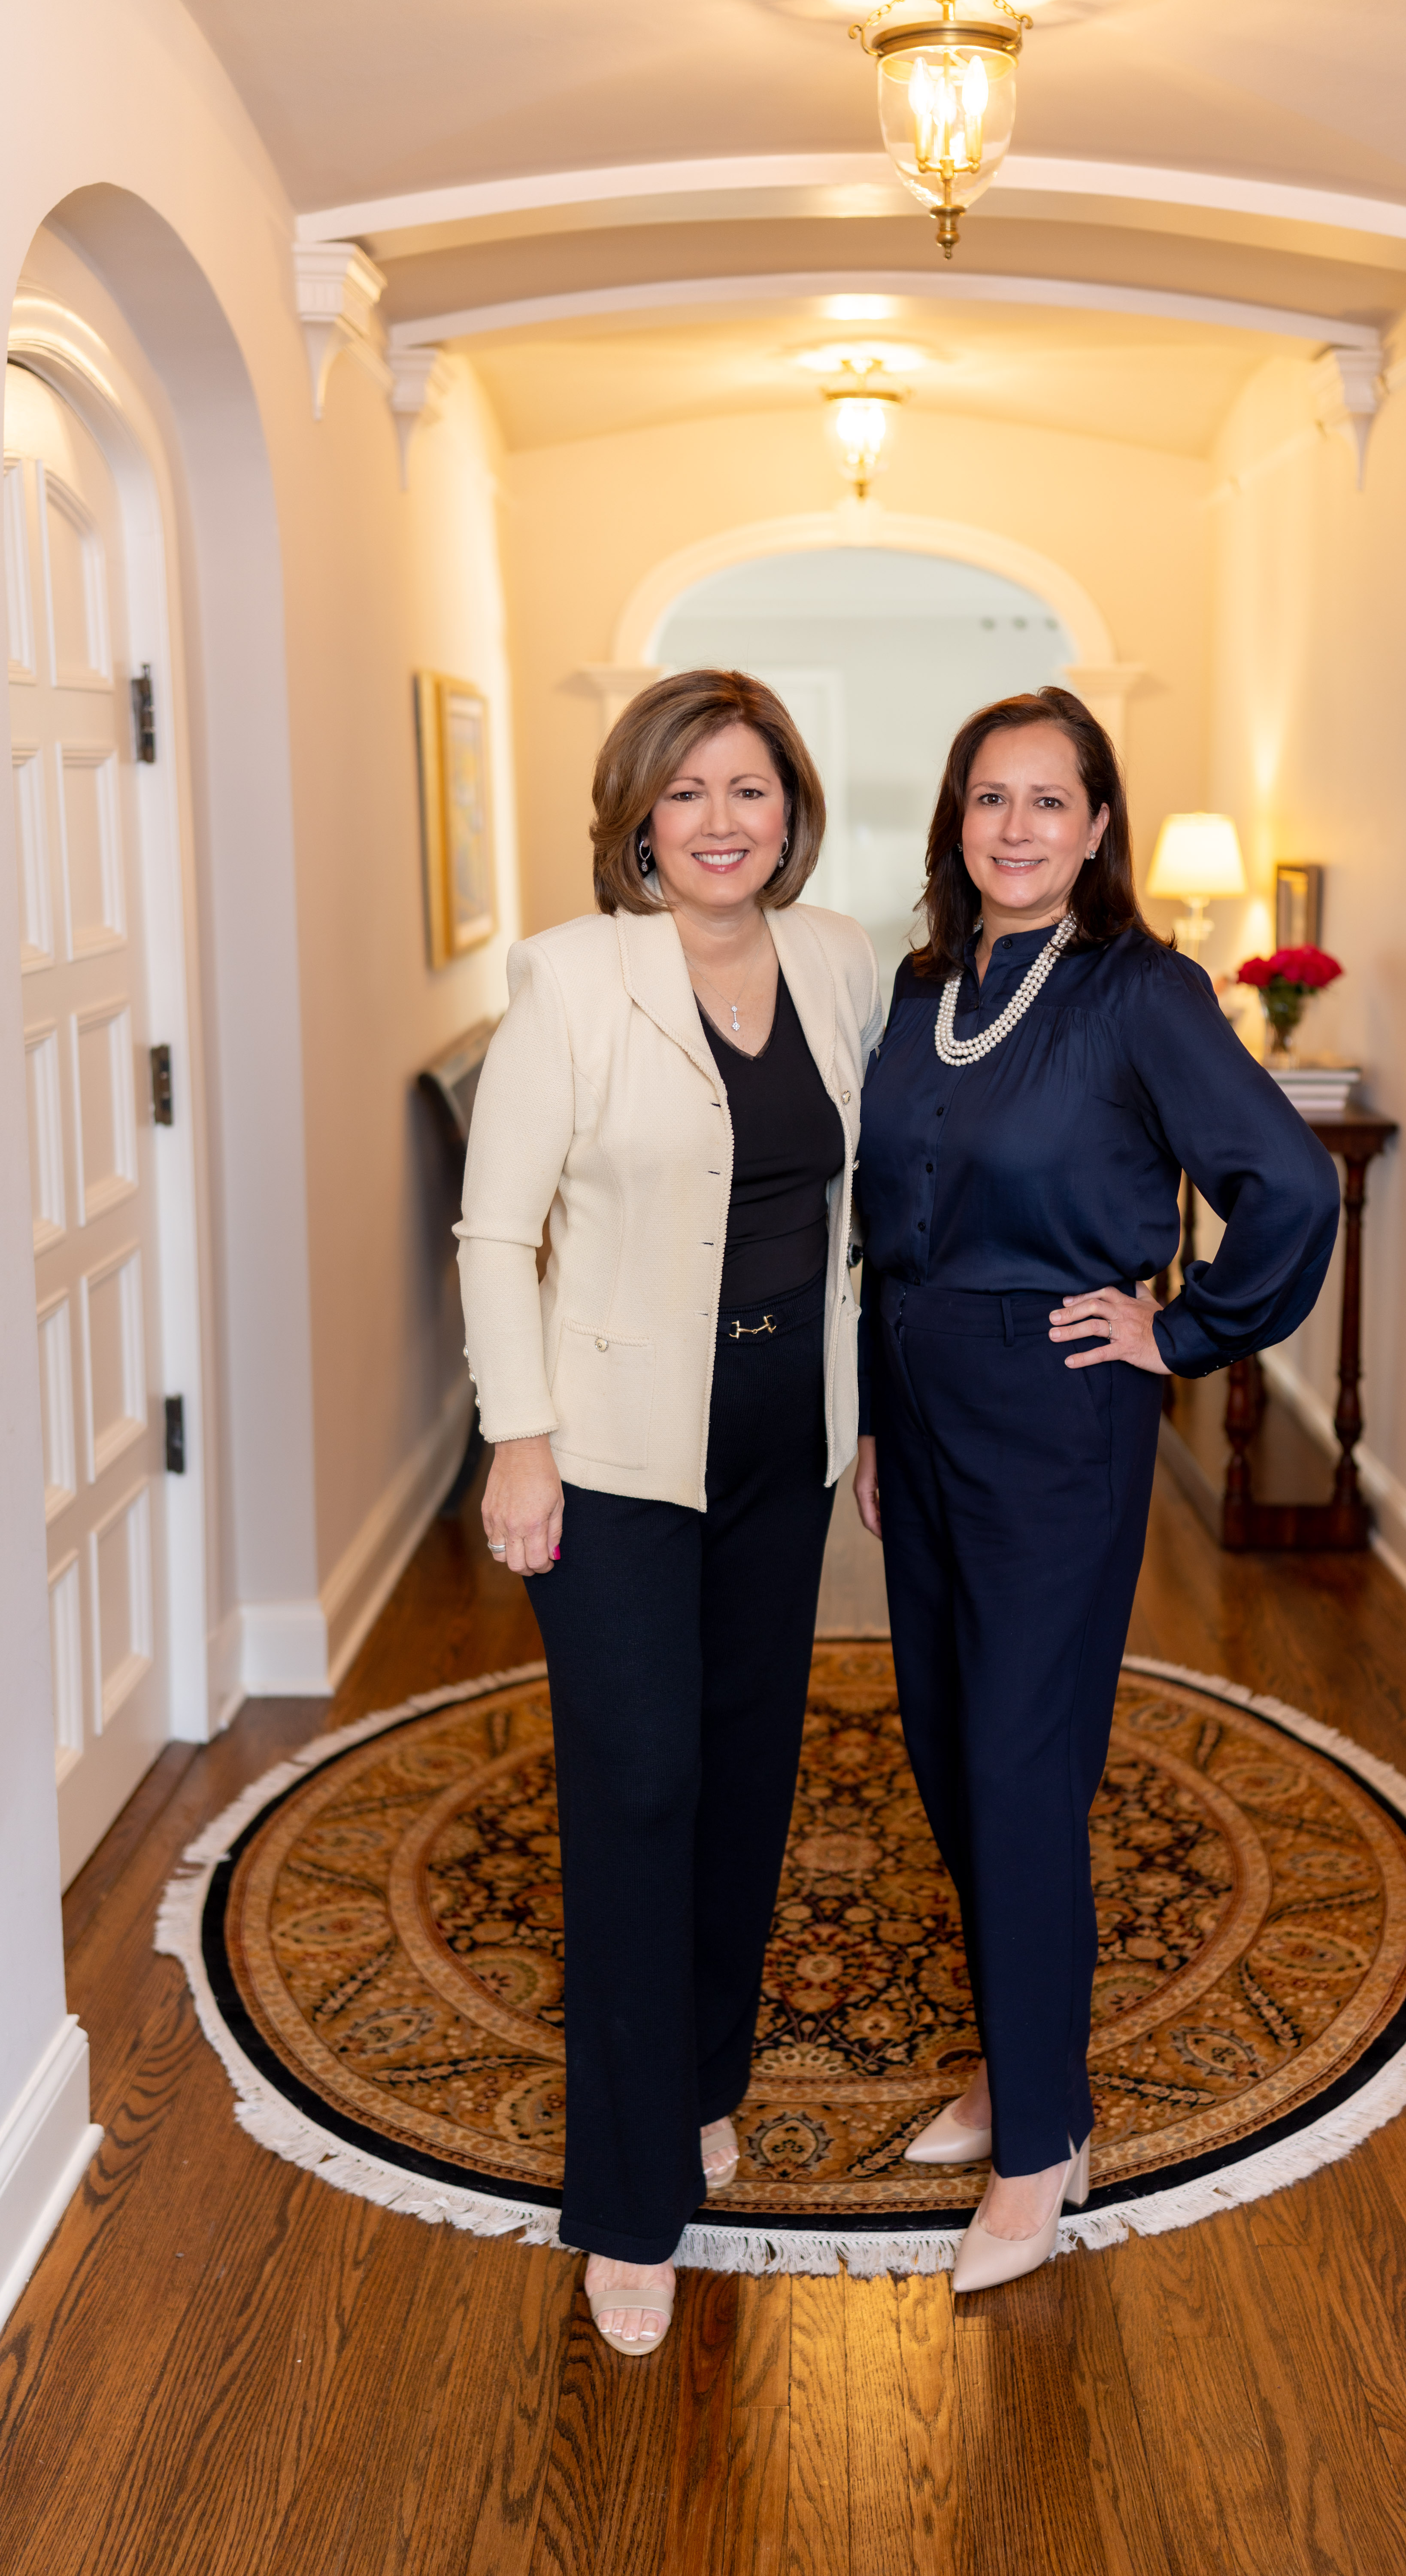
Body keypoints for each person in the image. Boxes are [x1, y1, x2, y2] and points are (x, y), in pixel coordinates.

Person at [852, 687, 1339, 2293]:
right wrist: (876, 1419)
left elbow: (1291, 1183)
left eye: (1049, 801)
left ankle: (1043, 2145)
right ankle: (1021, 2063)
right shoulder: (924, 988)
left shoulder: (1144, 992)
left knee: (1020, 1756)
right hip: (919, 1404)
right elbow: (884, 1231)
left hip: (1058, 1412)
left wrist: (1183, 1329)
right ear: (957, 820)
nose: (1016, 828)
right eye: (990, 798)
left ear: (1098, 826)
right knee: (949, 1750)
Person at [457, 670, 882, 2354]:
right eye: (687, 791)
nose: (720, 820)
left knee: (747, 1767)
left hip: (786, 1439)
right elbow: (497, 1235)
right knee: (638, 1791)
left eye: (749, 788)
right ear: (639, 819)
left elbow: (869, 1202)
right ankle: (630, 2208)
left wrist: (876, 1406)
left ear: (791, 812)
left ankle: (706, 2082)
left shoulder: (839, 960)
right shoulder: (571, 979)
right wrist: (519, 1440)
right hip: (617, 1454)